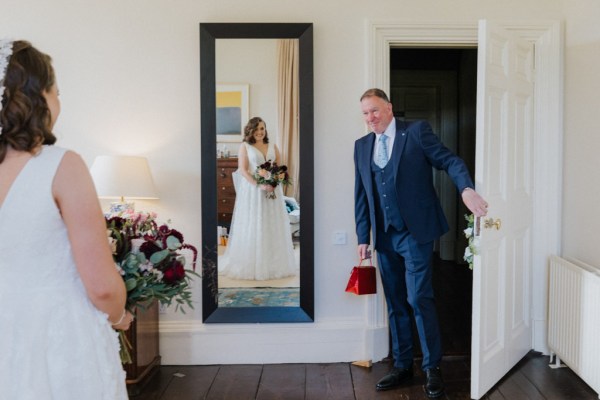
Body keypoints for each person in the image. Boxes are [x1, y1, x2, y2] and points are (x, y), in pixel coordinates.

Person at [0, 40, 133, 399]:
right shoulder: (61, 166)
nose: (60, 101)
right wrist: (120, 315)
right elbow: (102, 286)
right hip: (56, 338)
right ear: (37, 98)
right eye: (56, 92)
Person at [353, 88, 488, 397]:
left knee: (419, 299)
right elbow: (361, 195)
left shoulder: (415, 131)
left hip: (415, 233)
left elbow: (449, 160)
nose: (370, 118)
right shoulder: (361, 147)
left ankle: (431, 367)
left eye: (374, 110)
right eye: (365, 113)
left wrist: (466, 189)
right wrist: (364, 237)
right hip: (384, 236)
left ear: (388, 107)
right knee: (396, 302)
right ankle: (402, 366)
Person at [219, 117, 296, 280]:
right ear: (250, 131)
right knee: (255, 223)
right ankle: (254, 264)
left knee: (272, 223)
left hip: (273, 191)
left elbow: (279, 167)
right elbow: (243, 170)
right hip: (254, 191)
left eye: (263, 128)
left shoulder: (272, 145)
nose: (260, 132)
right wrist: (259, 185)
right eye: (257, 129)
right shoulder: (245, 147)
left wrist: (274, 181)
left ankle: (274, 263)